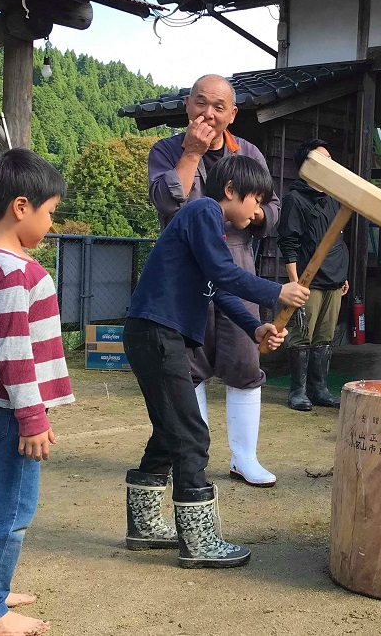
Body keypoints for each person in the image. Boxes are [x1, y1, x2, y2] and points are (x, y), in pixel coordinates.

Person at [124, 155, 309, 569]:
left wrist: (255, 328)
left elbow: (219, 289)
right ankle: (199, 541)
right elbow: (225, 274)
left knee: (170, 429)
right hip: (157, 333)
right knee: (192, 434)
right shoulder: (203, 210)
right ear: (230, 192)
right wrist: (276, 292)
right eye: (255, 200)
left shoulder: (207, 227)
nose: (258, 211)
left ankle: (145, 525)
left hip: (156, 334)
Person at [0, 149, 74, 636]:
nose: (51, 223)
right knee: (11, 511)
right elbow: (14, 354)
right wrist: (33, 419)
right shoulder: (15, 273)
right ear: (22, 207)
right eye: (50, 213)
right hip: (9, 412)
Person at [149, 74, 281, 487]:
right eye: (201, 103)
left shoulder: (250, 152)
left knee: (245, 359)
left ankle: (245, 458)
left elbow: (272, 207)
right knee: (187, 365)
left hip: (237, 259)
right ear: (187, 105)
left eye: (218, 106)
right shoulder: (167, 149)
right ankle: (191, 457)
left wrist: (251, 210)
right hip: (185, 269)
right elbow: (167, 204)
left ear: (232, 114)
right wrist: (190, 154)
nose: (208, 113)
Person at [278, 139, 350, 411]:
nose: (329, 164)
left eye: (330, 158)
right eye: (323, 159)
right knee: (301, 336)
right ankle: (297, 392)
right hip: (308, 283)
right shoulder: (294, 199)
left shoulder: (333, 197)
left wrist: (342, 275)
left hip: (334, 281)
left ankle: (319, 389)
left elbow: (337, 240)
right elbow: (289, 242)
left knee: (325, 337)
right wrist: (295, 283)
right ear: (307, 166)